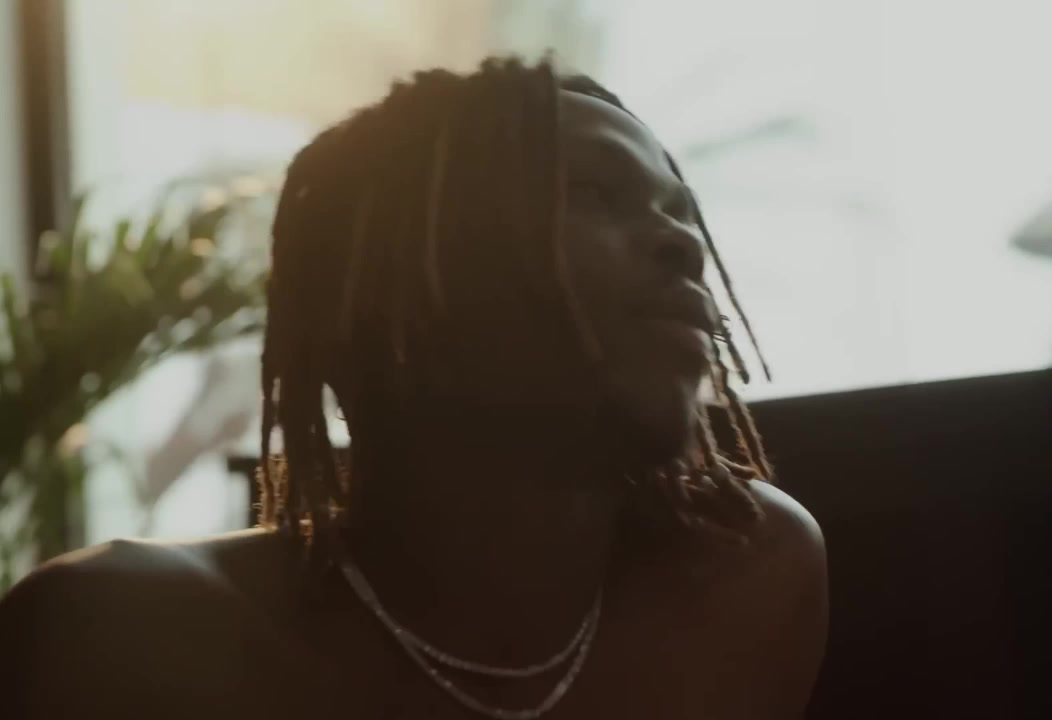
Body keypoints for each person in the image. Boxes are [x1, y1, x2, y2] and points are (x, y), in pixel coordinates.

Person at [0, 58, 827, 719]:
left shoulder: (745, 580)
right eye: (595, 193)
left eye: (679, 211)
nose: (683, 246)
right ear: (387, 296)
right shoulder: (121, 637)